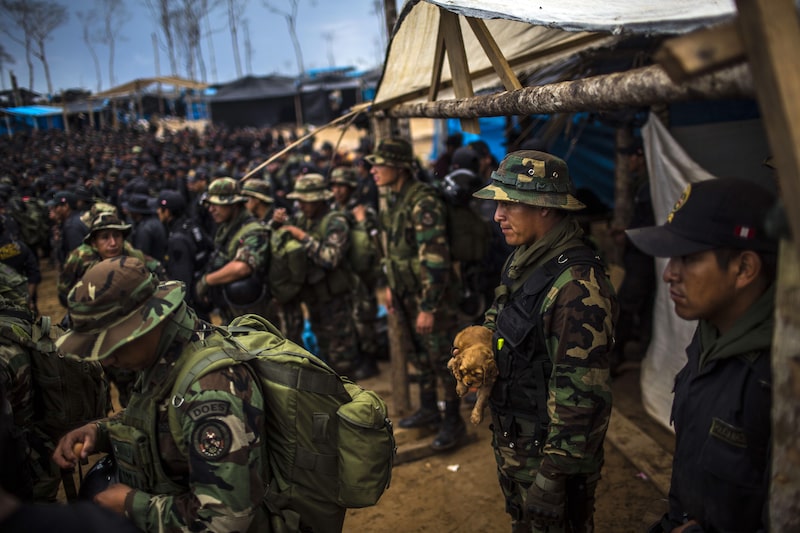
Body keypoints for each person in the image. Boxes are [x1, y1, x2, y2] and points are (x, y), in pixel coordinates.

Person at [52, 256, 267, 531]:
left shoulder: (211, 392)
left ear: (148, 323)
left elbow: (224, 521)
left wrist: (131, 505)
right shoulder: (165, 356)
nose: (106, 361)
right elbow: (156, 419)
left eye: (112, 345)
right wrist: (100, 431)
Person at [472, 150, 618, 531]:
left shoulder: (577, 287)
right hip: (521, 443)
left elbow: (581, 400)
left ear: (546, 208)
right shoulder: (525, 257)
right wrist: (482, 337)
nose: (497, 216)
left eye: (510, 205)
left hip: (550, 459)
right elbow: (503, 311)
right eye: (498, 204)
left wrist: (553, 479)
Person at [626, 177, 777, 533]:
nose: (668, 274)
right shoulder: (711, 334)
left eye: (689, 258)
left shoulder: (781, 377)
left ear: (744, 269)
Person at [367, 138, 464, 451]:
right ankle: (427, 409)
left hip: (430, 298)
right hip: (407, 294)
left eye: (379, 164)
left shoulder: (422, 201)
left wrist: (429, 306)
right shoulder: (398, 199)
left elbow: (435, 257)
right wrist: (392, 290)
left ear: (398, 167)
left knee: (440, 360)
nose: (373, 171)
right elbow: (396, 250)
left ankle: (453, 421)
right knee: (419, 356)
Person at [278, 173, 361, 375]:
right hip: (315, 299)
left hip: (336, 303)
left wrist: (302, 237)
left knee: (341, 357)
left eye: (305, 201)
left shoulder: (335, 222)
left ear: (319, 199)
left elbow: (331, 257)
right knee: (324, 352)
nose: (300, 205)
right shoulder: (304, 220)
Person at [196, 177, 271, 323]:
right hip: (232, 311)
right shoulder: (227, 228)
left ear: (234, 204)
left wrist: (207, 280)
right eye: (210, 204)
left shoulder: (253, 231)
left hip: (253, 315)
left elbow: (243, 267)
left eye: (217, 204)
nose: (211, 209)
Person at [155, 189, 212, 309]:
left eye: (160, 209)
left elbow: (182, 279)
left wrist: (180, 307)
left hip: (193, 301)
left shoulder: (177, 239)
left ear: (167, 212)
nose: (157, 212)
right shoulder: (192, 226)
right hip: (202, 290)